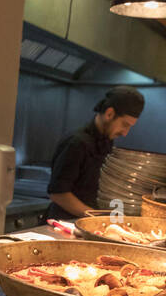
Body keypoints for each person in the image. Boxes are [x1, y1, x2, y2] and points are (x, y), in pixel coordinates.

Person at [45, 86, 144, 221]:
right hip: (64, 222)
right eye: (124, 125)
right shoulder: (76, 143)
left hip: (87, 222)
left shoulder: (107, 142)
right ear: (109, 114)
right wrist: (96, 218)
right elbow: (58, 193)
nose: (125, 133)